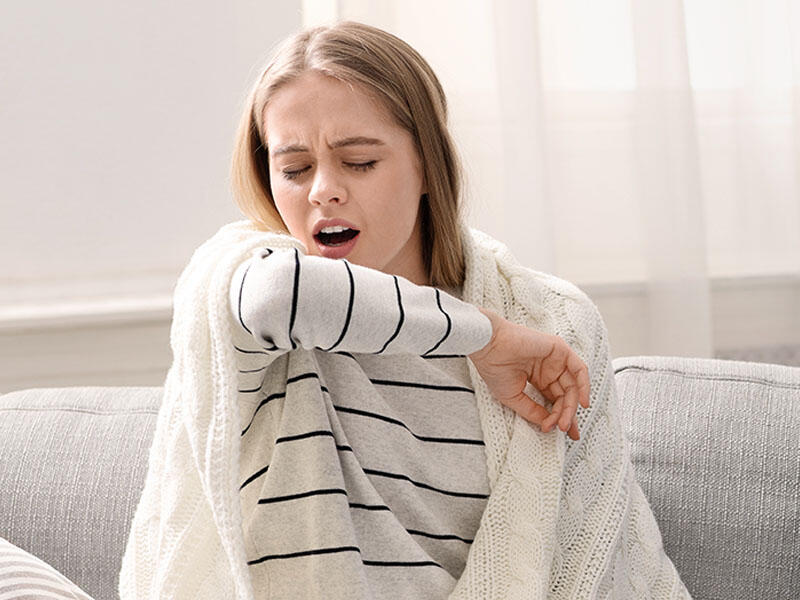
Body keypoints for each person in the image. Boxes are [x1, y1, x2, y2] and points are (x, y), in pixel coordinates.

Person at [119, 19, 691, 600]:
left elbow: (597, 548)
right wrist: (486, 338)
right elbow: (277, 298)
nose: (321, 190)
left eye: (359, 161)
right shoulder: (241, 285)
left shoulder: (551, 321)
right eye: (294, 169)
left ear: (426, 166)